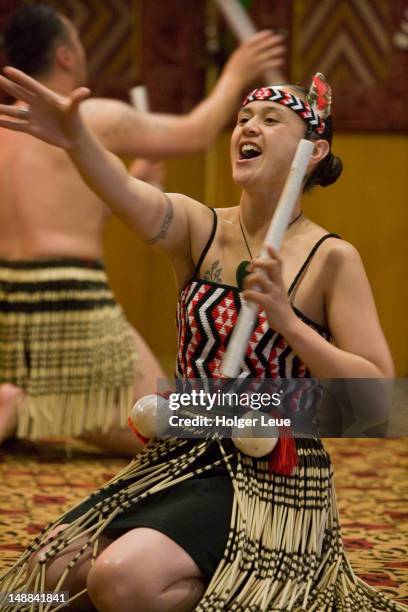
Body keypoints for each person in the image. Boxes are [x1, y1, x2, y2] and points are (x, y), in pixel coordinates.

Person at [0, 69, 403, 612]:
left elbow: (376, 401)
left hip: (271, 476)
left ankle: (233, 590)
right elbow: (125, 193)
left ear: (312, 152)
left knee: (120, 579)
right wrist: (77, 140)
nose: (247, 127)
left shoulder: (331, 258)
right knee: (40, 582)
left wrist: (287, 320)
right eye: (242, 119)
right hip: (181, 454)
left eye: (269, 119)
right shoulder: (199, 227)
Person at [0, 4, 286, 453]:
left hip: (8, 301)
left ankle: (24, 403)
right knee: (174, 434)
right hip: (71, 302)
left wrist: (133, 182)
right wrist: (237, 72)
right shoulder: (88, 118)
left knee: (140, 425)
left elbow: (56, 214)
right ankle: (18, 406)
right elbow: (194, 134)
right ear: (65, 57)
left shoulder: (5, 128)